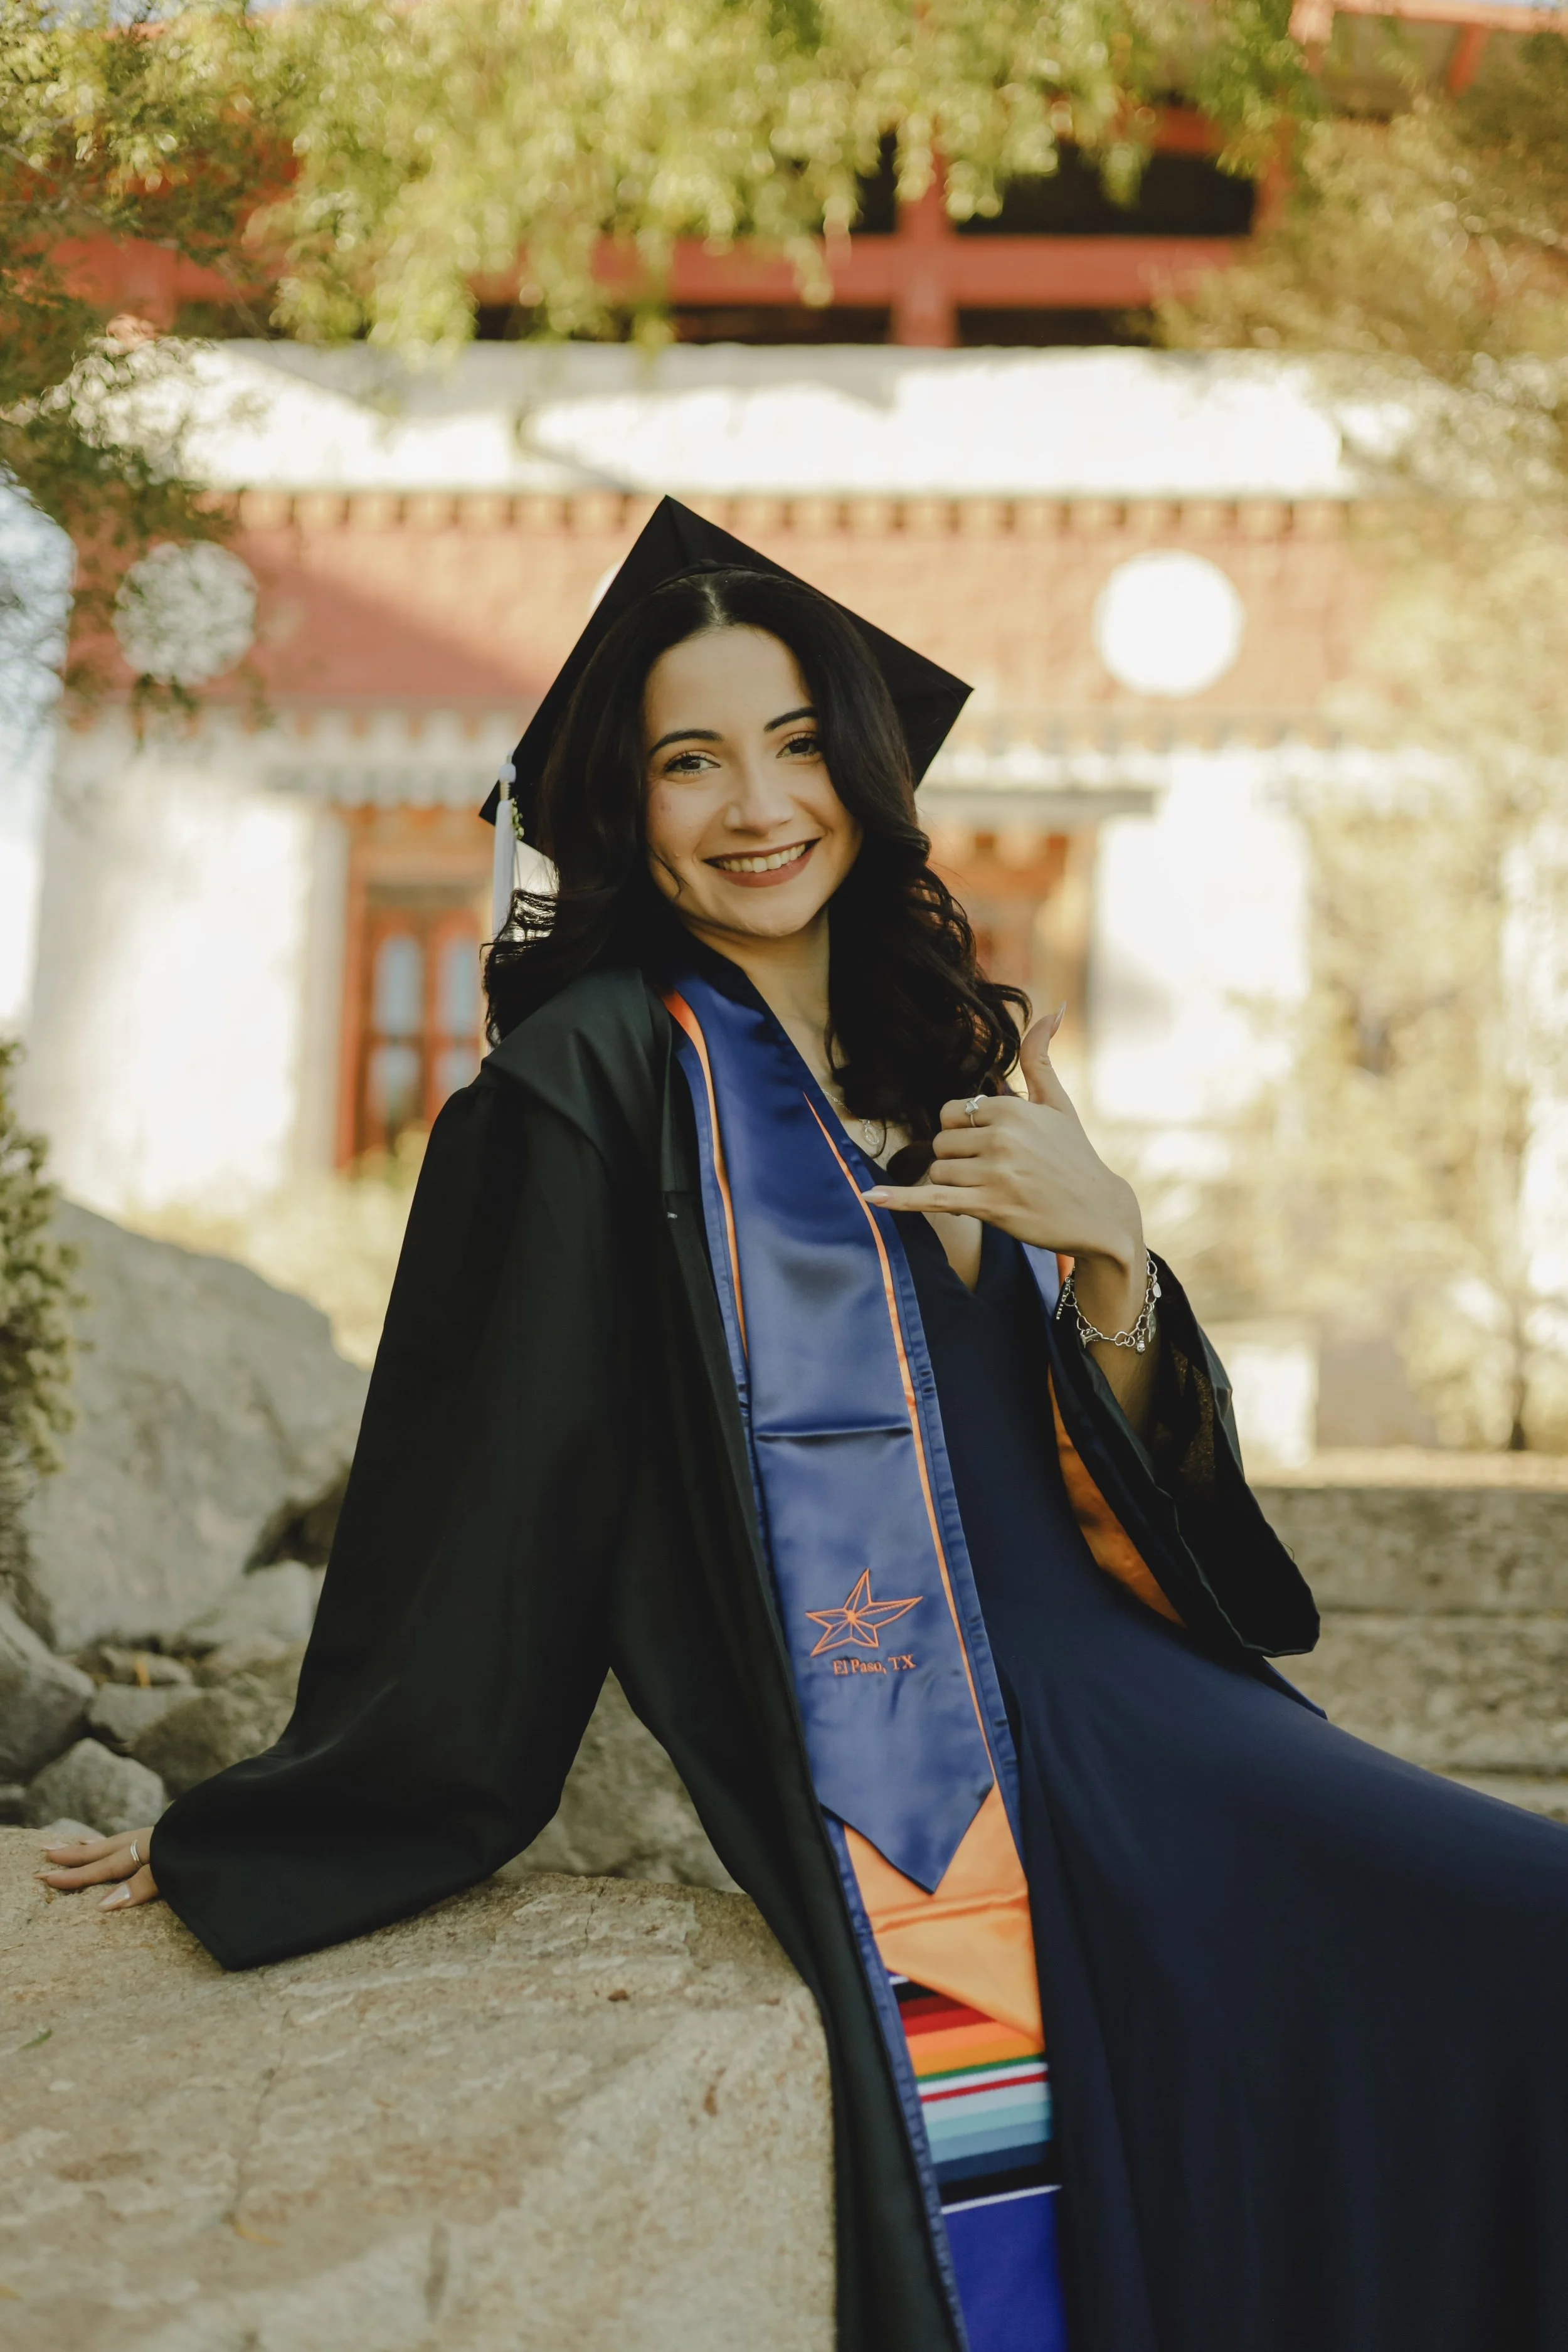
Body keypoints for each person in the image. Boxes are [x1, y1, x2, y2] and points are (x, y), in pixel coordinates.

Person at [41, 502, 1568, 2352]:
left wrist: (1111, 1251)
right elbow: (490, 1507)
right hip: (930, 1764)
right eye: (690, 759)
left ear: (861, 765)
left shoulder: (949, 1055)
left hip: (1143, 1706)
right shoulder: (585, 1087)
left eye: (795, 744)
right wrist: (280, 1819)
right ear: (621, 800)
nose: (758, 805)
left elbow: (1120, 1483)